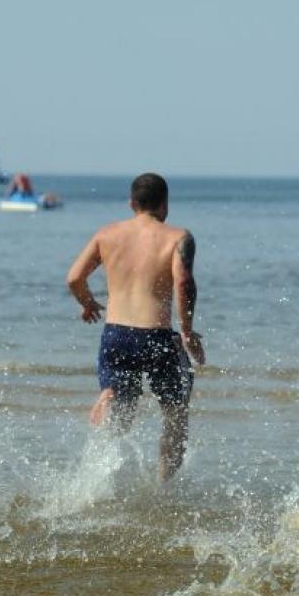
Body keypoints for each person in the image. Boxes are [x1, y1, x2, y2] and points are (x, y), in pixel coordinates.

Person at [66, 172, 205, 481]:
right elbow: (183, 282)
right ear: (165, 204)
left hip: (116, 334)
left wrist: (87, 304)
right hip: (157, 336)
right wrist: (187, 330)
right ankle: (164, 487)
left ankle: (109, 397)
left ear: (131, 203)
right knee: (175, 414)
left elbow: (74, 278)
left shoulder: (107, 234)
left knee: (122, 415)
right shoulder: (178, 237)